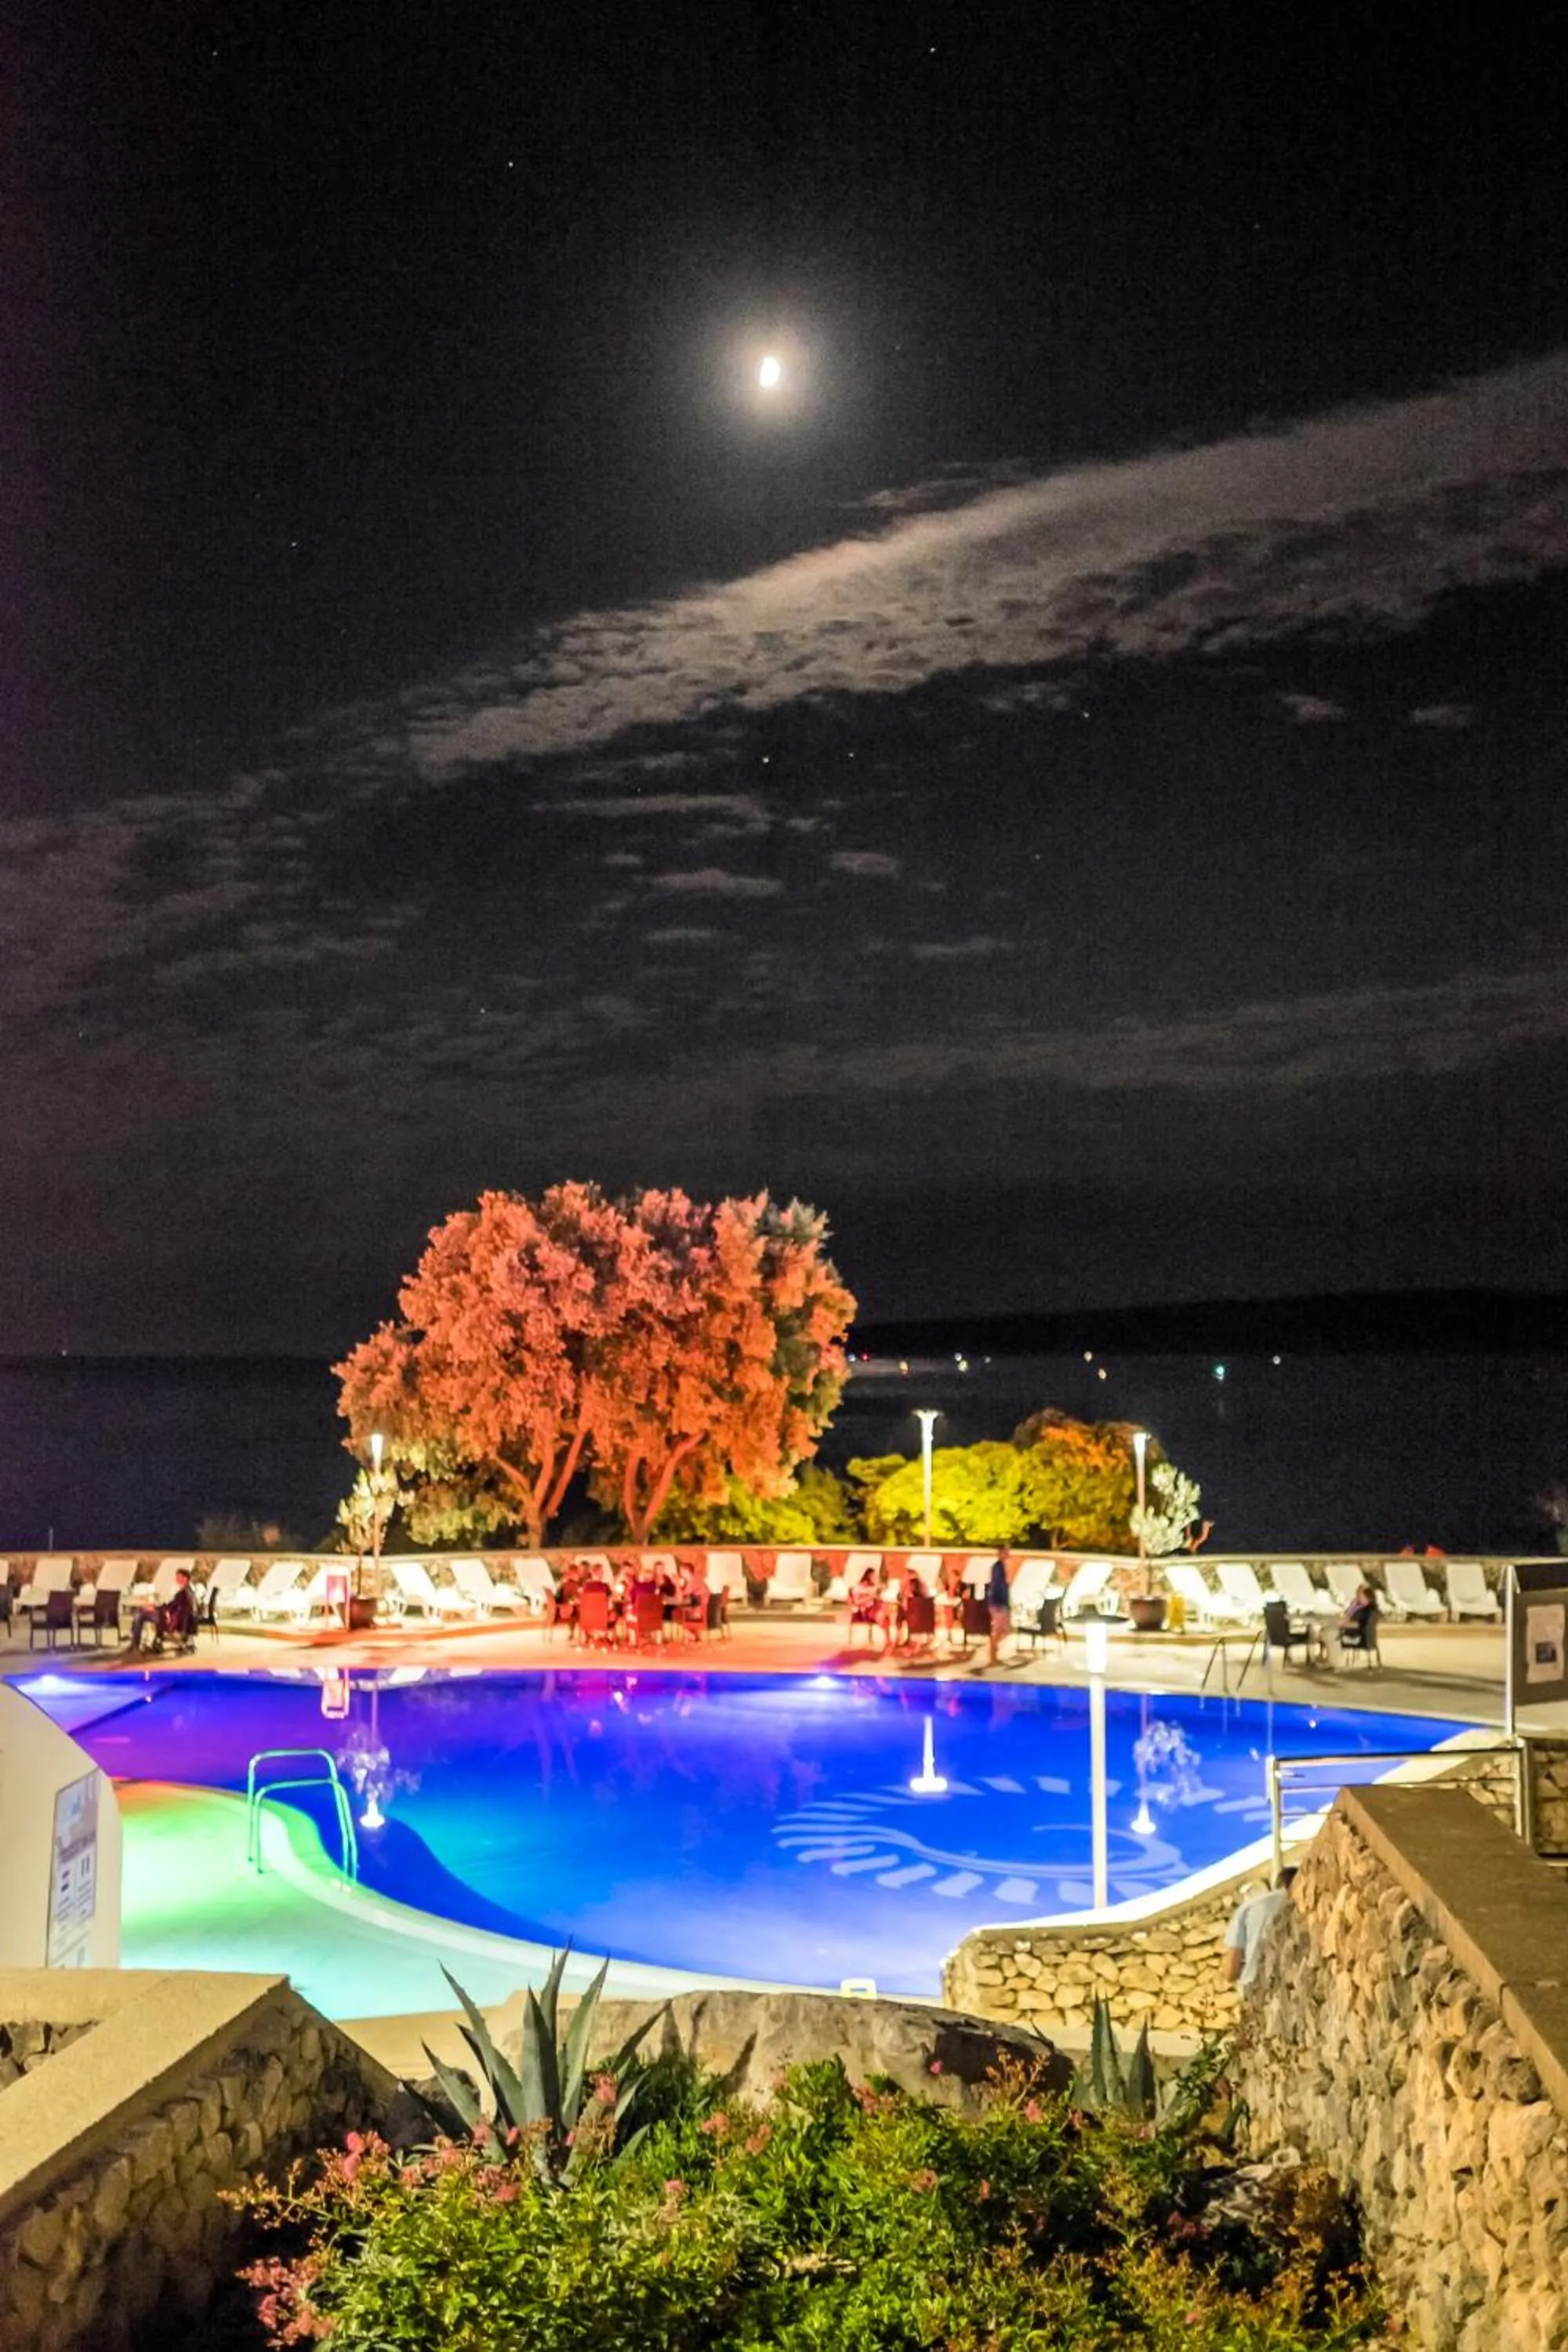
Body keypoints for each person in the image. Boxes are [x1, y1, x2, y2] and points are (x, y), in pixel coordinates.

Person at [1222, 1866, 1298, 1990]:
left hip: (1256, 1987)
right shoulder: (1302, 1903)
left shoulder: (1247, 1908)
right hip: (1291, 1984)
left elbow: (1231, 1971)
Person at [129, 1567, 199, 1655]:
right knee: (142, 1614)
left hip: (171, 1622)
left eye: (178, 1577)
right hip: (174, 1619)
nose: (176, 1579)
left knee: (141, 1615)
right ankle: (140, 1641)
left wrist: (154, 1608)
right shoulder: (189, 1592)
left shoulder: (184, 1593)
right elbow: (174, 1606)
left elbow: (171, 1607)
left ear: (185, 1579)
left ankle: (135, 1644)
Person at [1334, 1578, 1378, 1662]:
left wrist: (1343, 1625)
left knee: (1331, 1635)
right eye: (1357, 1594)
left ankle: (1334, 1661)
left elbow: (1359, 1624)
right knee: (1330, 1632)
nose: (1357, 1597)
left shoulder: (1366, 1609)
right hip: (1364, 1636)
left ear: (1367, 1596)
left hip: (1357, 1636)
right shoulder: (1370, 1608)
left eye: (1359, 1595)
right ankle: (1331, 1660)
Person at [985, 1544, 1013, 1666]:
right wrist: (1003, 1603)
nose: (1008, 1554)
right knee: (999, 1629)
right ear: (1001, 1553)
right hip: (998, 1603)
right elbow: (998, 1586)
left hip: (999, 1602)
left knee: (1004, 1629)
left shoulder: (1000, 1567)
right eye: (1006, 1552)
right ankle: (992, 1656)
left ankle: (993, 1654)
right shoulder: (998, 1567)